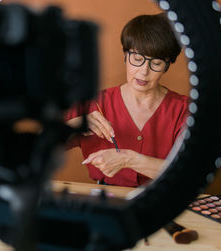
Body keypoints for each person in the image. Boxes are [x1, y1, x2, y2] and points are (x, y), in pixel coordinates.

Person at [65, 13, 188, 187]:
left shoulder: (184, 110)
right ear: (125, 55)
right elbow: (40, 151)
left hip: (163, 200)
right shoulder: (92, 103)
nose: (144, 72)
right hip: (107, 200)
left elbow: (188, 172)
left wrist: (129, 160)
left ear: (168, 65)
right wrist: (73, 127)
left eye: (157, 63)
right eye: (137, 59)